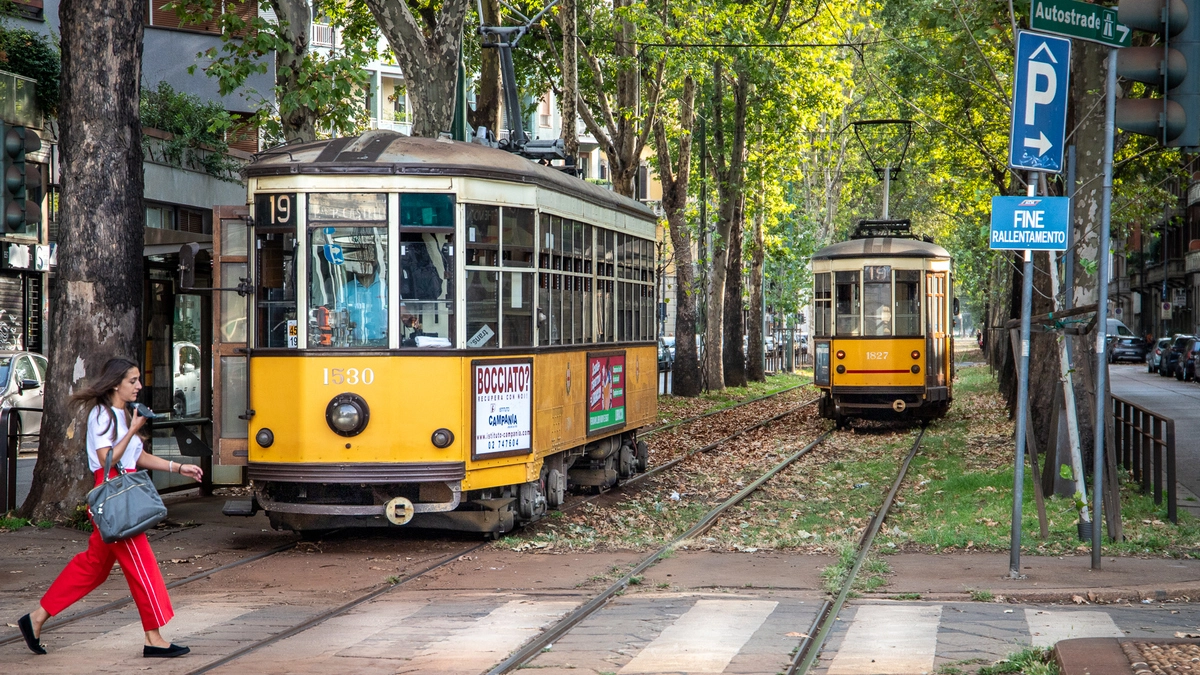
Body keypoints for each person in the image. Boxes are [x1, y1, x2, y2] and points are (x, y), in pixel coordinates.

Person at [18, 357, 202, 658]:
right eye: (133, 381)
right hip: (114, 497)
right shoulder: (102, 416)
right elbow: (109, 459)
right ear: (116, 383)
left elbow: (136, 457)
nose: (139, 386)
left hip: (121, 494)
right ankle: (154, 638)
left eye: (138, 380)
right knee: (142, 566)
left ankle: (35, 618)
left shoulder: (123, 412)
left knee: (93, 567)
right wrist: (132, 429)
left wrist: (179, 467)